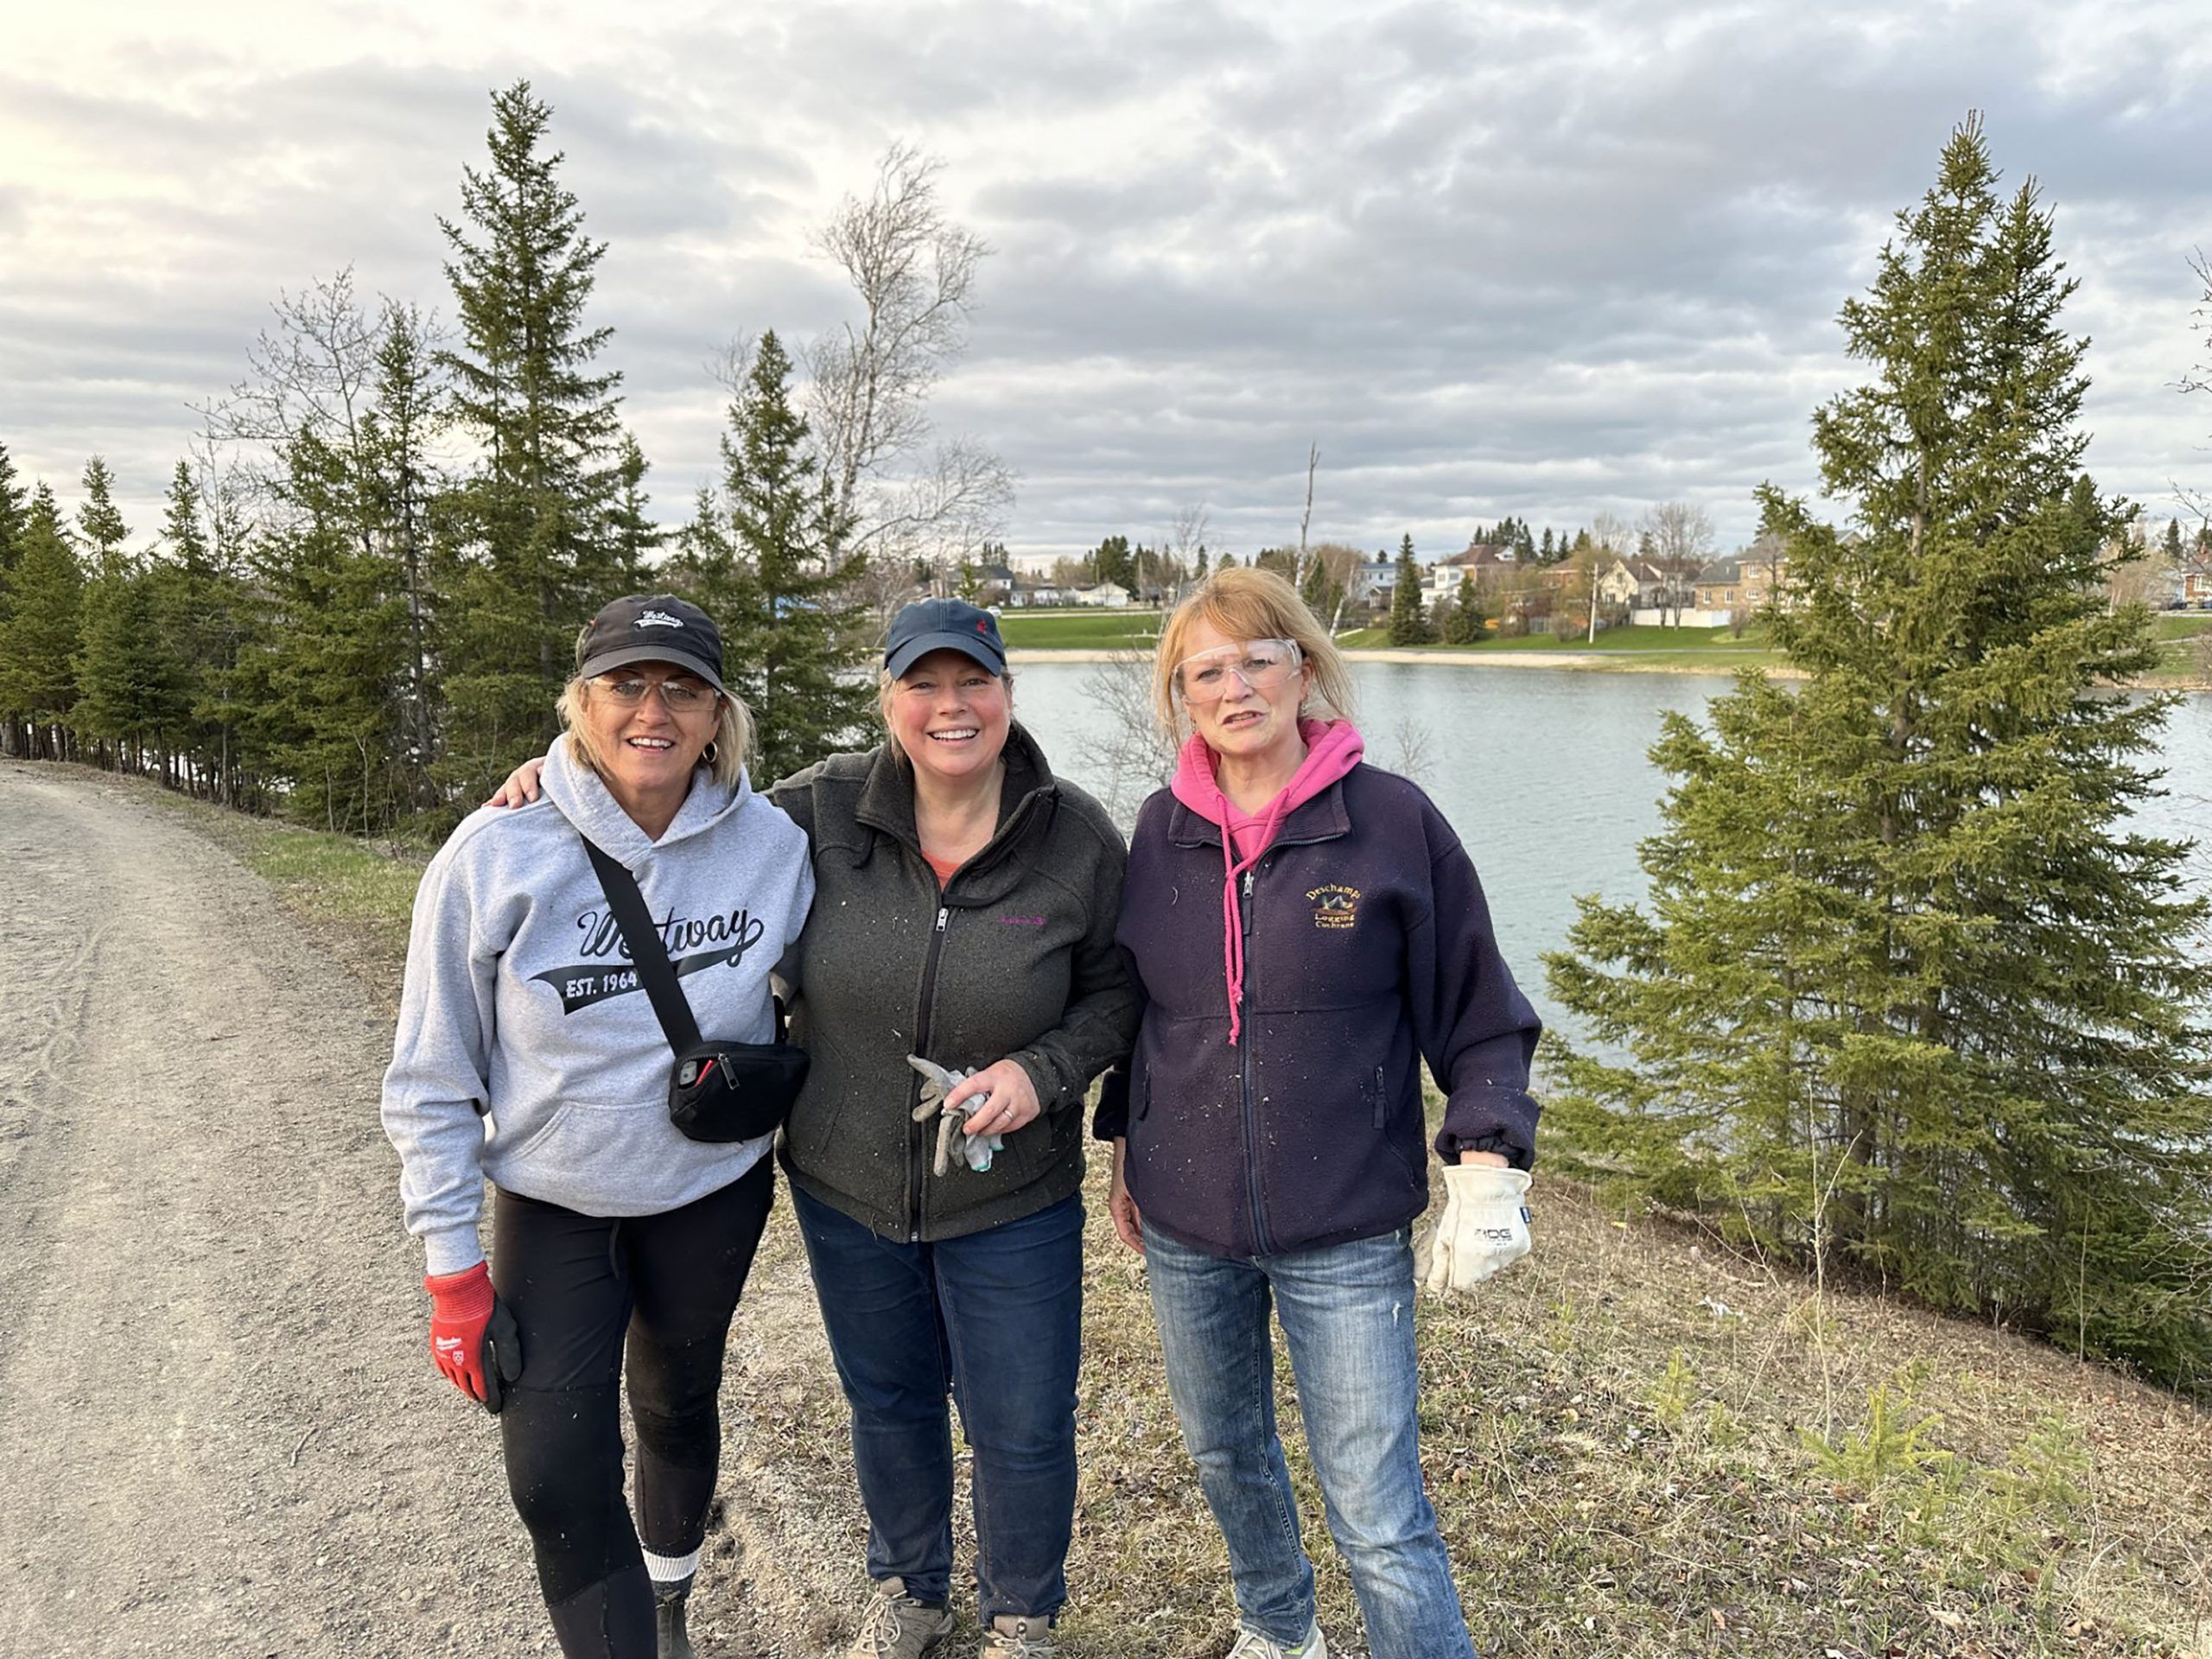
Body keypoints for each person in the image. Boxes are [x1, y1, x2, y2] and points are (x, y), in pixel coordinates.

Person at [493, 598, 1138, 1659]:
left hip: (1010, 1194)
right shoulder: (817, 808)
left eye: (971, 682)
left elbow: (1113, 992)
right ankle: (912, 1594)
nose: (949, 707)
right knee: (886, 1403)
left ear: (1006, 694)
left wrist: (1047, 1069)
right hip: (847, 1188)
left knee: (1021, 1426)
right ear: (888, 698)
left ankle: (1022, 1618)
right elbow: (669, 791)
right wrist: (555, 777)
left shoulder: (1072, 833)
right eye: (921, 685)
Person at [1096, 567, 1541, 1659]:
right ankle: (1280, 1631)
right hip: (1185, 1224)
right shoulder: (1161, 831)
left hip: (1343, 1226)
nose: (1235, 685)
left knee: (1378, 1511)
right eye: (1207, 670)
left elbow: (1477, 1010)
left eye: (1259, 658)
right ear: (1180, 697)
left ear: (1304, 669)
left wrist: (1486, 1164)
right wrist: (1123, 1150)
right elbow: (1147, 1011)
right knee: (1223, 1456)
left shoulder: (1389, 822)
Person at [383, 594, 813, 1659]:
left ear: (720, 713)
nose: (652, 712)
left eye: (682, 689)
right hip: (553, 1199)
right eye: (625, 684)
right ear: (582, 702)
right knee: (552, 1471)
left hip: (709, 1190)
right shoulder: (495, 852)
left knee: (676, 1401)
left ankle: (667, 1603)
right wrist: (451, 1270)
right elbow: (429, 1076)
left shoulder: (777, 844)